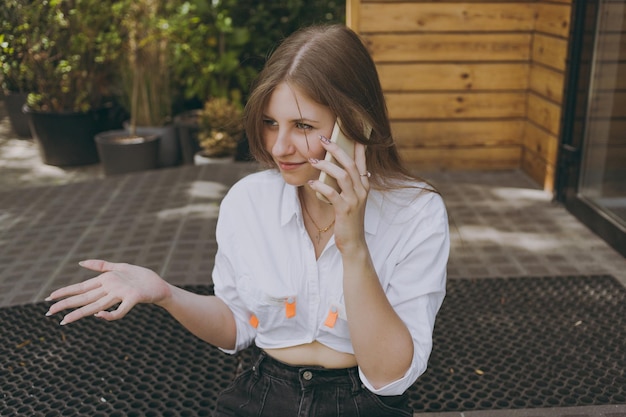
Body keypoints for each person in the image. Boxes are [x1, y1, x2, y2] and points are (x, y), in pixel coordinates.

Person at [45, 24, 449, 417]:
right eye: (271, 123)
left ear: (355, 124)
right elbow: (238, 326)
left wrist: (354, 245)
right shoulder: (248, 201)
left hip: (365, 399)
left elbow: (389, 375)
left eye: (303, 126)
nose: (279, 146)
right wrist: (165, 292)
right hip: (263, 391)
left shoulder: (416, 212)